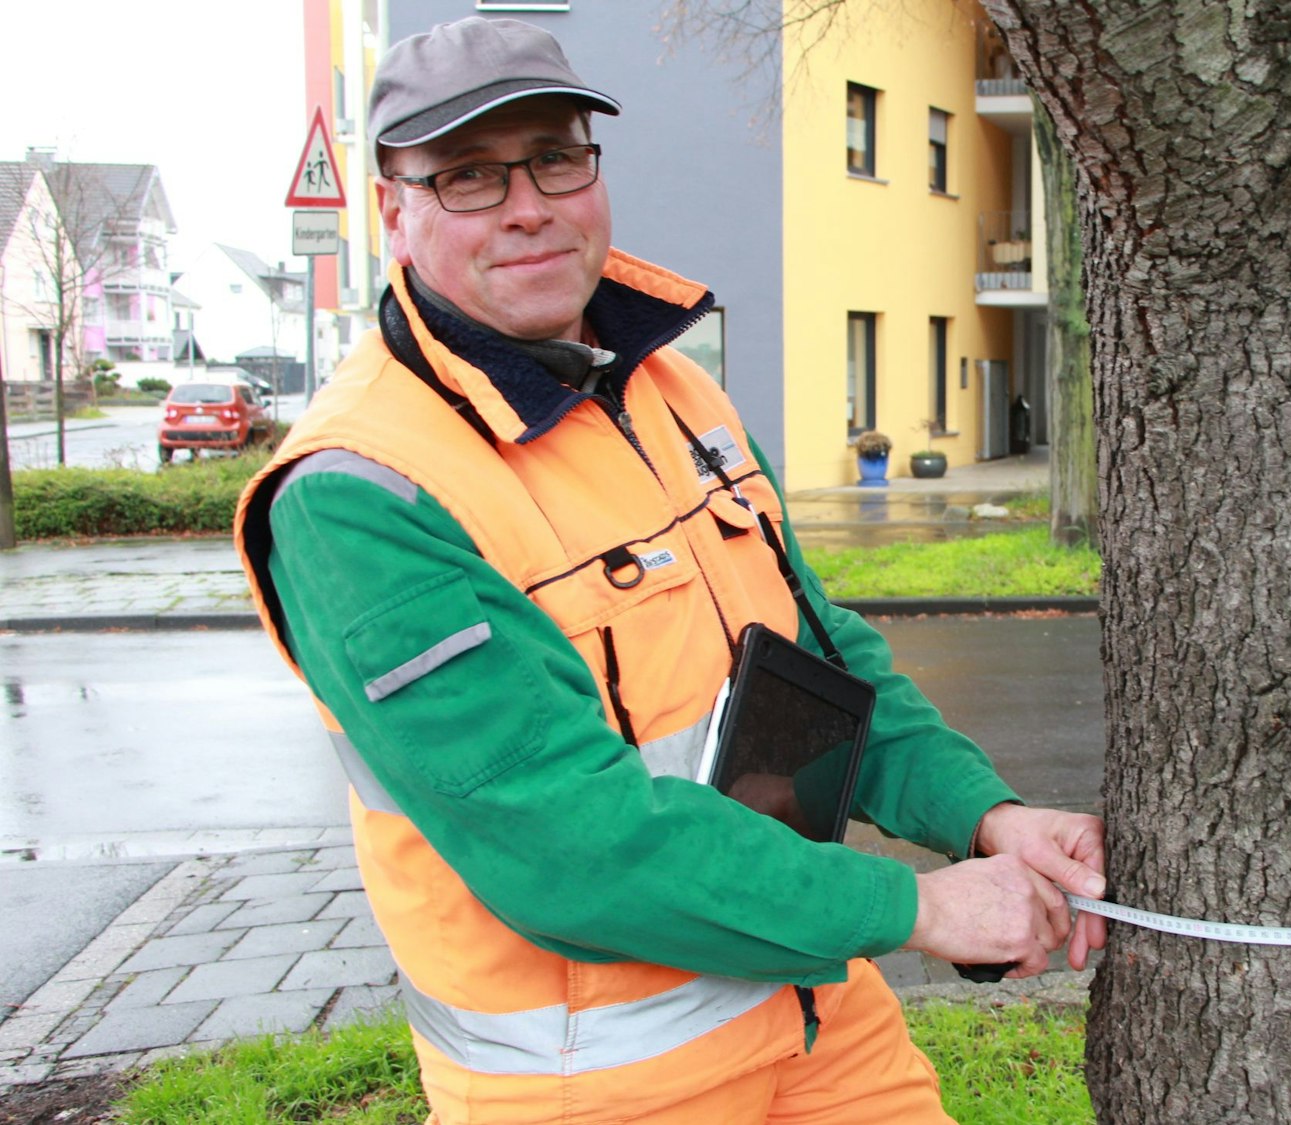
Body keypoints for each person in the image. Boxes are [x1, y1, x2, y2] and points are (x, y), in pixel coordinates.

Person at [232, 15, 1106, 1123]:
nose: (528, 203)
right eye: (466, 177)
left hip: (814, 1007)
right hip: (600, 1085)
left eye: (555, 156)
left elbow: (820, 663)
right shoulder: (361, 494)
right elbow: (565, 846)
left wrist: (982, 814)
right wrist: (914, 908)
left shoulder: (671, 389)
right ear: (393, 210)